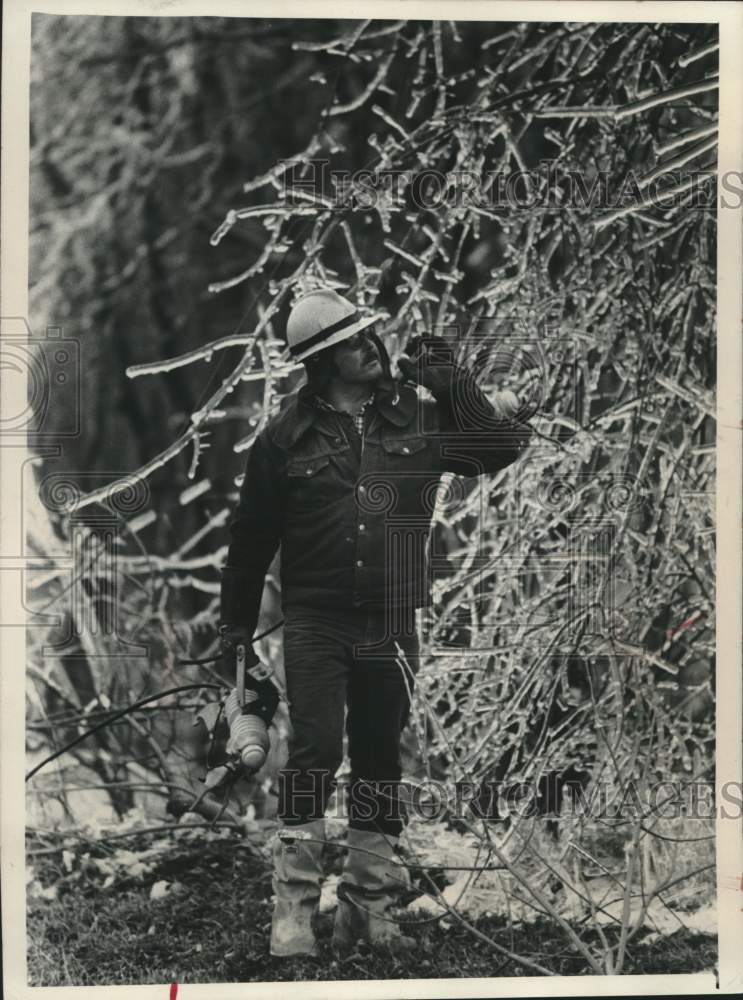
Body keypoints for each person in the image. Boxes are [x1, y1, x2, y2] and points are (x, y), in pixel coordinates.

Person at [219, 288, 531, 957]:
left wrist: (454, 388)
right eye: (357, 340)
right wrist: (233, 629)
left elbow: (497, 450)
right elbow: (249, 539)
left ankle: (369, 905)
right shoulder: (283, 438)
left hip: (390, 620)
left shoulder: (417, 417)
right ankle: (294, 910)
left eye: (370, 334)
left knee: (379, 756)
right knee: (313, 754)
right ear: (325, 360)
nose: (374, 345)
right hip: (314, 620)